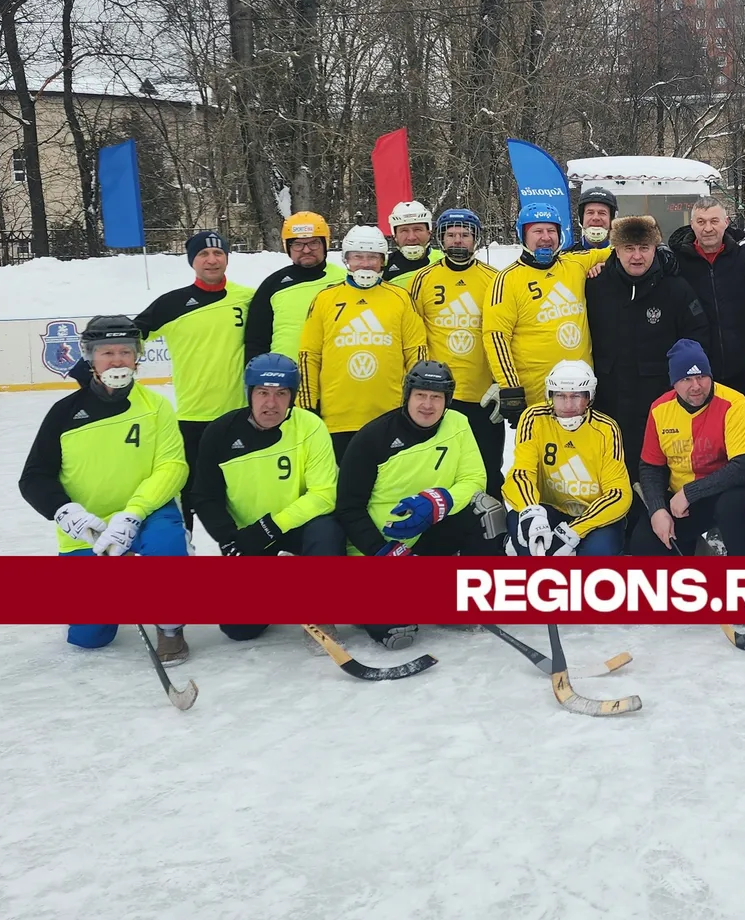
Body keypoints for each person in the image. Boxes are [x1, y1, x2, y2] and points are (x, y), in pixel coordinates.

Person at [18, 316, 189, 658]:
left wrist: (133, 514)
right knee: (90, 637)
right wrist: (66, 512)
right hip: (89, 529)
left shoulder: (156, 407)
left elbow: (173, 467)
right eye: (106, 352)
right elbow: (34, 477)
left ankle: (170, 626)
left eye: (125, 352)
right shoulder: (64, 413)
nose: (117, 360)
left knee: (166, 541)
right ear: (90, 358)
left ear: (137, 357)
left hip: (145, 515)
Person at [333, 360, 490, 648]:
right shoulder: (373, 438)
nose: (427, 405)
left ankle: (459, 601)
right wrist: (382, 549)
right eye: (421, 395)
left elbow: (475, 478)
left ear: (447, 401)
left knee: (486, 513)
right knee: (399, 631)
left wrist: (440, 502)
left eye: (436, 397)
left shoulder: (458, 424)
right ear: (407, 396)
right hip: (377, 550)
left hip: (427, 535)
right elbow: (347, 508)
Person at [189, 353, 343, 644]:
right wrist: (229, 539)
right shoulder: (220, 432)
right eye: (262, 393)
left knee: (328, 531)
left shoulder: (310, 426)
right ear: (249, 393)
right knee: (240, 630)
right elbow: (204, 496)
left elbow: (324, 495)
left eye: (281, 394)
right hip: (248, 537)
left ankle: (322, 611)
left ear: (292, 397)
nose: (271, 403)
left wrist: (272, 527)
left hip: (298, 526)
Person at [132, 230, 255, 532]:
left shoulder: (249, 298)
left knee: (244, 499)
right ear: (192, 261)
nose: (212, 260)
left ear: (227, 257)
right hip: (192, 420)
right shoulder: (172, 304)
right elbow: (129, 336)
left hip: (241, 417)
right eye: (203, 254)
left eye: (218, 253)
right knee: (187, 498)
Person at [405, 207, 509, 553]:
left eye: (464, 234)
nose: (458, 240)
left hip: (483, 397)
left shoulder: (494, 278)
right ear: (441, 238)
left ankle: (492, 537)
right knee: (440, 470)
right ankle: (441, 536)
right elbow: (413, 335)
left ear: (476, 239)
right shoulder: (423, 279)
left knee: (487, 470)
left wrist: (502, 381)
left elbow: (504, 332)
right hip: (439, 398)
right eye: (451, 234)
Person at [297, 225, 428, 460]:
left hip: (390, 416)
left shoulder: (399, 298)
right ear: (347, 259)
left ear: (383, 260)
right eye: (358, 256)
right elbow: (309, 355)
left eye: (372, 257)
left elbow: (416, 353)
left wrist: (414, 404)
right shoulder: (325, 299)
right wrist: (307, 405)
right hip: (336, 419)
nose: (365, 264)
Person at [586, 215, 710, 459]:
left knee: (656, 462)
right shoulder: (595, 285)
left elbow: (697, 336)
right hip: (609, 397)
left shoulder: (676, 287)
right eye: (629, 248)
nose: (637, 256)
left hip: (660, 396)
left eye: (644, 248)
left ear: (655, 248)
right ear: (616, 250)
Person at [484, 199, 612, 426]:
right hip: (538, 396)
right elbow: (496, 336)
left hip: (582, 392)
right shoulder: (507, 280)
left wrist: (660, 250)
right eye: (538, 231)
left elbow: (622, 251)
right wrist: (510, 386)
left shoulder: (575, 263)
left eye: (551, 230)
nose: (546, 237)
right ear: (523, 235)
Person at [629, 339, 745, 556]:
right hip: (682, 500)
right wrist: (657, 509)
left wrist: (690, 493)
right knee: (644, 542)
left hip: (730, 491)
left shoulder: (734, 404)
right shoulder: (660, 409)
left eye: (702, 376)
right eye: (687, 379)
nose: (696, 386)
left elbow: (743, 467)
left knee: (731, 508)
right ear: (674, 382)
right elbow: (651, 467)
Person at [504, 359, 633, 556]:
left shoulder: (606, 428)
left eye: (576, 396)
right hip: (548, 509)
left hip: (592, 516)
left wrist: (572, 532)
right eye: (560, 396)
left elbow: (618, 494)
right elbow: (521, 473)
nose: (568, 405)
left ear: (589, 397)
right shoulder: (534, 418)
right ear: (550, 395)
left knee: (597, 554)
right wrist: (532, 512)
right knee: (526, 535)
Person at [667, 196, 745, 405]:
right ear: (692, 225)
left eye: (714, 221)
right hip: (697, 374)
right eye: (701, 222)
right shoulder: (675, 262)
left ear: (726, 222)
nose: (708, 228)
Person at [247, 211, 346, 361]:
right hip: (286, 378)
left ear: (325, 243)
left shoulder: (345, 280)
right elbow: (256, 340)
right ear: (288, 247)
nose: (306, 250)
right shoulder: (273, 285)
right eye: (298, 244)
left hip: (335, 373)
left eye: (314, 243)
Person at [384, 200, 443, 288]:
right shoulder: (383, 265)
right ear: (394, 235)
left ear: (429, 232)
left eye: (418, 229)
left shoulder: (444, 261)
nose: (411, 237)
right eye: (404, 231)